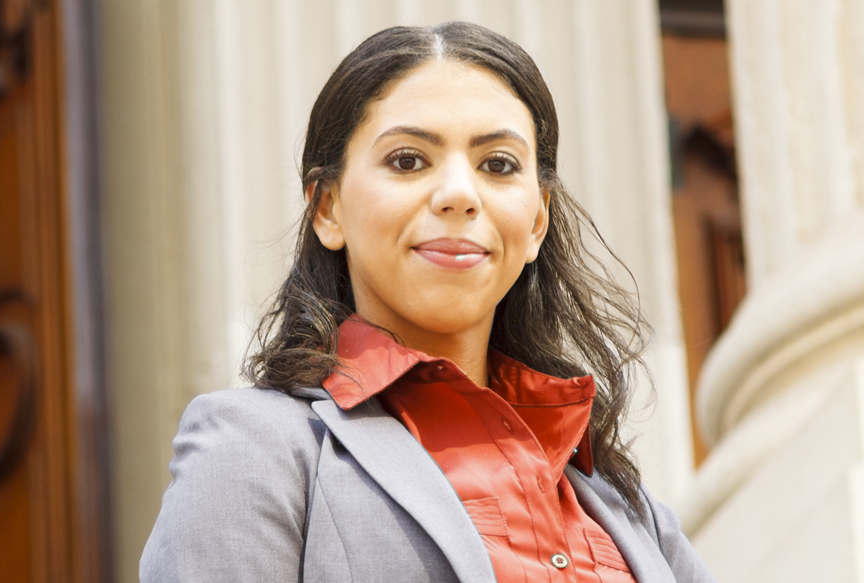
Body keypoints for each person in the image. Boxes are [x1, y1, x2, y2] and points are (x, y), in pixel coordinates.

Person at [139, 22, 716, 583]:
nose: (460, 195)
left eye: (498, 165)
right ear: (327, 209)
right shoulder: (254, 450)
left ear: (536, 221)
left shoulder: (624, 505)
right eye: (408, 160)